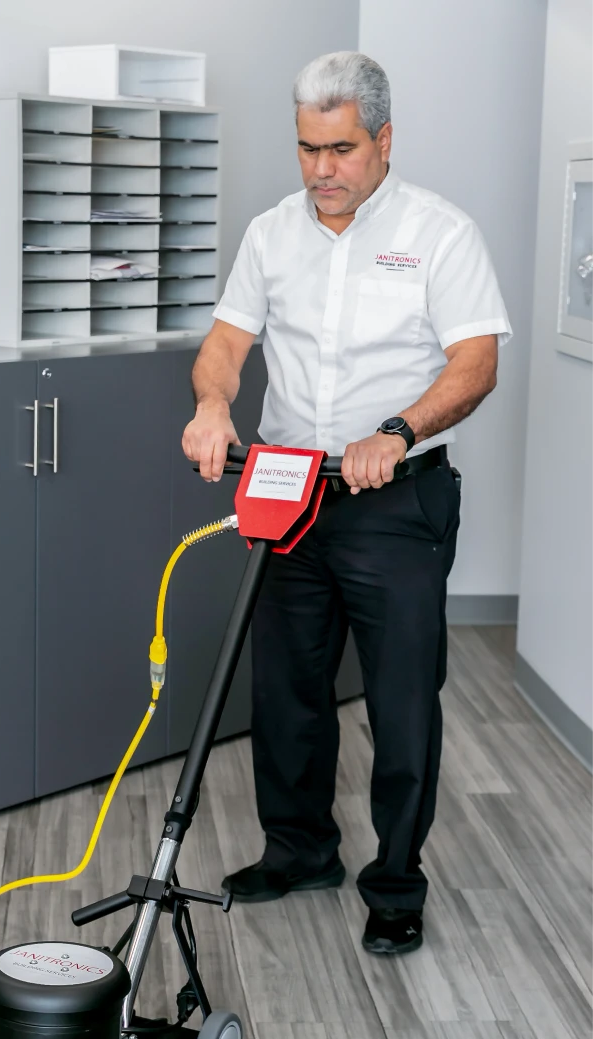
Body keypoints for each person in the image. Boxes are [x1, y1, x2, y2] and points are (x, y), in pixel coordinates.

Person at [181, 51, 511, 955]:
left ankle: (397, 883)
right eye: (306, 148)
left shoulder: (440, 234)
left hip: (396, 503)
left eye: (342, 148)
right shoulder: (271, 234)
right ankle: (299, 851)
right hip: (290, 494)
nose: (322, 169)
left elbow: (475, 365)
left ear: (384, 140)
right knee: (287, 688)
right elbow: (225, 343)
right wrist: (214, 403)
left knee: (404, 701)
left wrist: (397, 431)